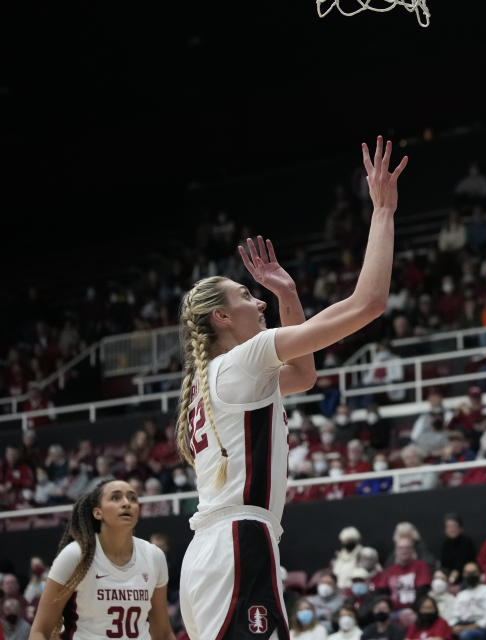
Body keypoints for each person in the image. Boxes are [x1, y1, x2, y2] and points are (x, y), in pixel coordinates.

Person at [177, 137, 408, 640]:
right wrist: (384, 212)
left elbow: (304, 376)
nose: (258, 304)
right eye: (247, 296)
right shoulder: (242, 360)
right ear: (221, 317)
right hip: (239, 543)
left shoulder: (216, 377)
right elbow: (367, 304)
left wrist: (288, 294)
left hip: (210, 555)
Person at [27, 479, 176, 640]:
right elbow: (40, 631)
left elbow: (163, 633)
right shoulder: (76, 555)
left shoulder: (154, 556)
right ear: (98, 512)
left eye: (133, 498)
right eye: (116, 498)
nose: (127, 503)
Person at [372, 537, 431, 610]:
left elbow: (422, 592)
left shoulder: (421, 566)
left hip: (415, 610)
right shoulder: (390, 570)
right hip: (393, 612)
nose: (404, 551)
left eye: (407, 548)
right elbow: (381, 592)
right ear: (395, 551)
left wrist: (412, 609)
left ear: (413, 550)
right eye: (400, 548)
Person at [451, 563, 486, 640]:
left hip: (485, 630)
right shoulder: (461, 595)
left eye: (474, 572)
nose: (470, 575)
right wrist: (454, 627)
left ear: (480, 573)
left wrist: (466, 628)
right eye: (467, 573)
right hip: (463, 626)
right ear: (463, 575)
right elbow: (454, 616)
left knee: (466, 635)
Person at [440, 514, 476, 585]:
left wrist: (454, 575)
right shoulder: (445, 545)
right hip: (449, 577)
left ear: (460, 528)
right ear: (445, 530)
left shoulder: (467, 542)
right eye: (449, 527)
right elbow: (443, 564)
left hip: (466, 577)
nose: (451, 529)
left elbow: (463, 561)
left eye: (454, 526)